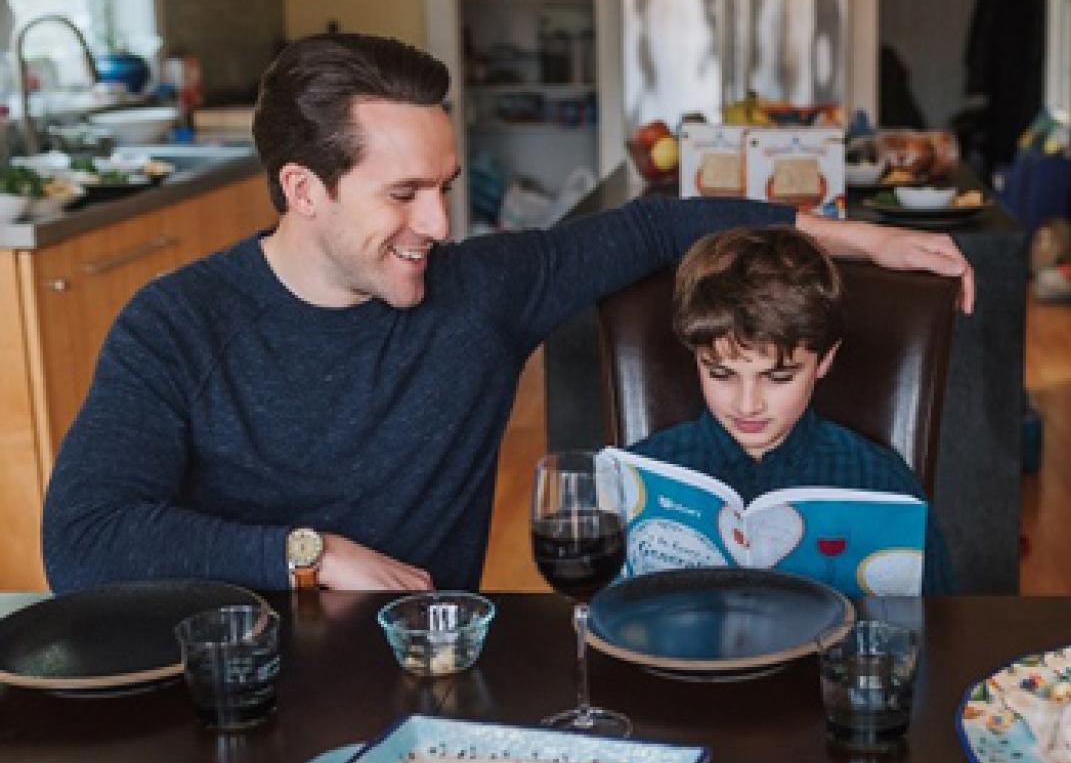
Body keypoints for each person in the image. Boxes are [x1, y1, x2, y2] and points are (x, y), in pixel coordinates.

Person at [40, 32, 973, 593]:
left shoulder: (480, 292)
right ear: (302, 188)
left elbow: (664, 224)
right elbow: (82, 541)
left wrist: (867, 239)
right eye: (404, 195)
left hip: (429, 669)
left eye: (444, 187)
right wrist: (311, 556)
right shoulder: (176, 323)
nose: (441, 226)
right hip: (229, 681)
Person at [626, 227, 952, 593]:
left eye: (778, 377)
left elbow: (937, 624)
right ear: (695, 358)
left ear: (824, 360)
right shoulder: (642, 474)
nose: (748, 404)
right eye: (721, 374)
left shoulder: (882, 484)